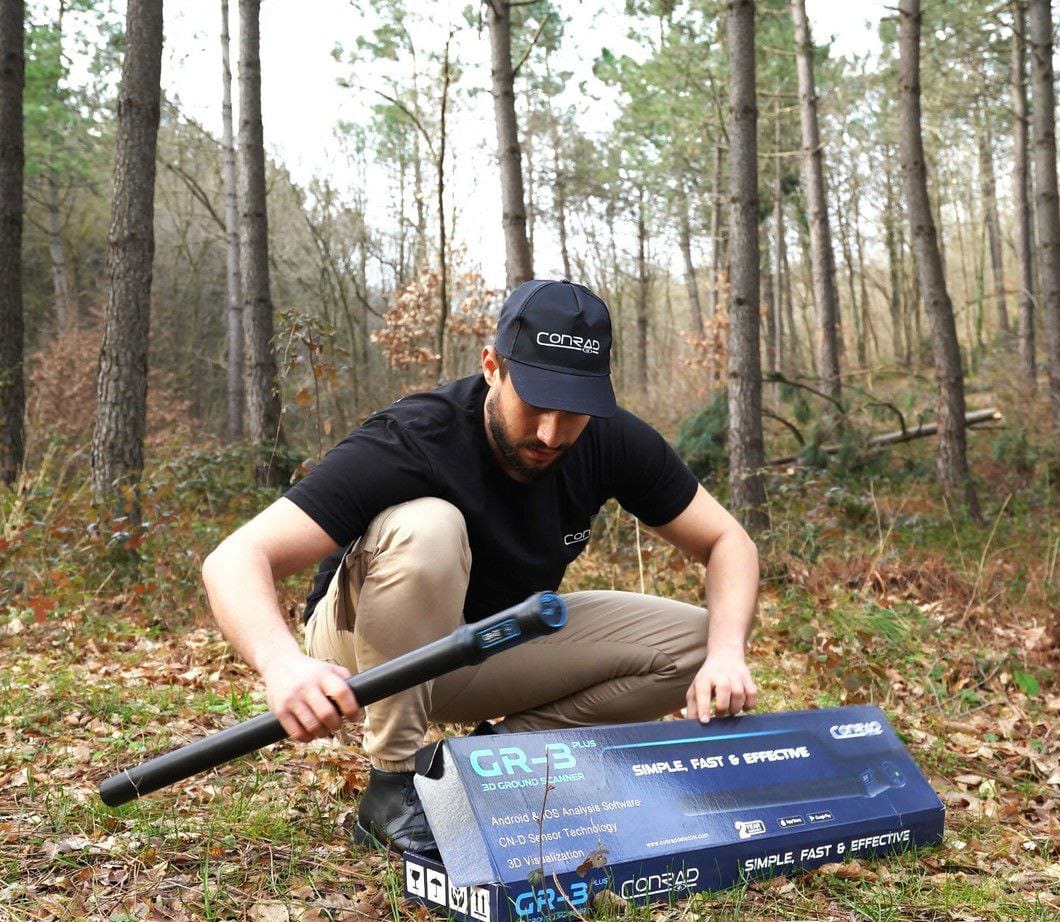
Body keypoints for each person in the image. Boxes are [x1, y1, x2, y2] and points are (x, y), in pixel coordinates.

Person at [202, 279, 760, 854]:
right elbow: (236, 558)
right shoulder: (415, 437)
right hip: (360, 655)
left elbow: (729, 542)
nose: (551, 434)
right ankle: (393, 786)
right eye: (536, 403)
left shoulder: (610, 438)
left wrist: (726, 654)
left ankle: (482, 767)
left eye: (573, 412)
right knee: (430, 527)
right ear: (492, 367)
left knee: (700, 642)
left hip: (489, 645)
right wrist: (281, 665)